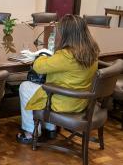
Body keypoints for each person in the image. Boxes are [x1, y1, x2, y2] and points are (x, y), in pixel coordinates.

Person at [16, 14, 100, 144]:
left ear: (66, 34)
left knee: (25, 86)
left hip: (64, 101)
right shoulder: (92, 51)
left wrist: (41, 54)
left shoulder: (67, 55)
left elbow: (39, 66)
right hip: (82, 101)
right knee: (52, 83)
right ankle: (50, 127)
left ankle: (31, 131)